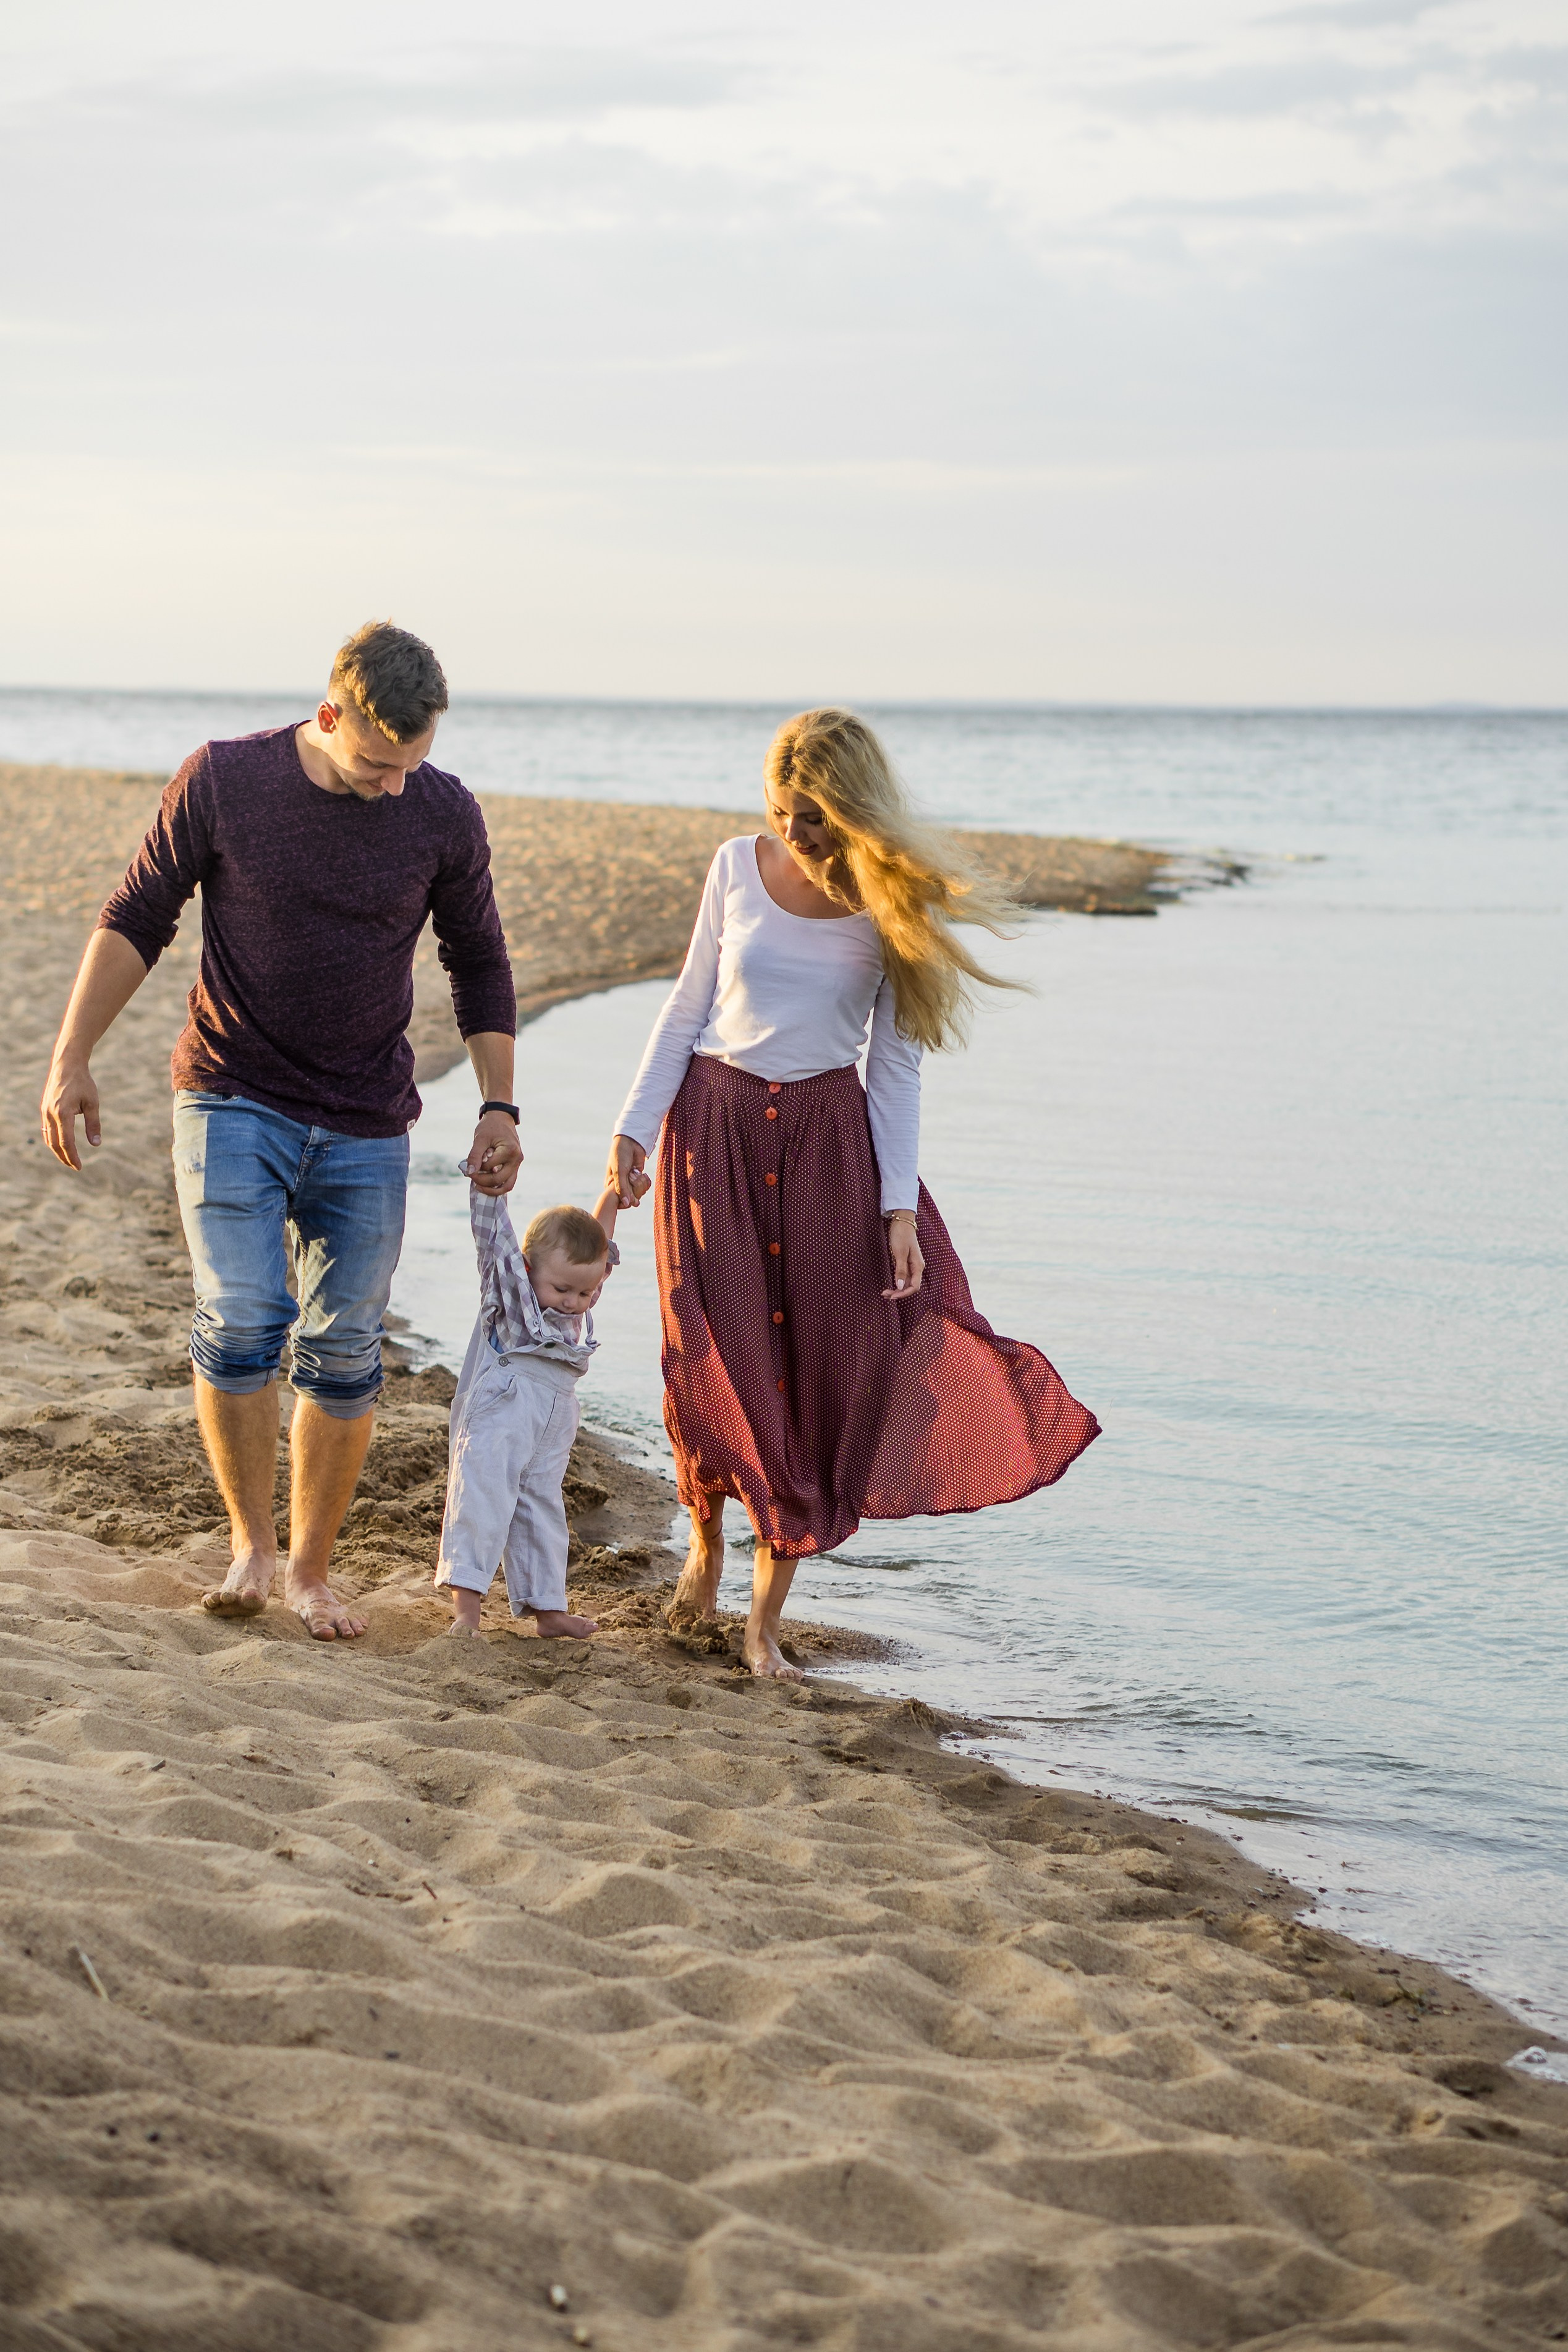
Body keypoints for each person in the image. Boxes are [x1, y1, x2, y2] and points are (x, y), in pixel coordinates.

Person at [39, 621, 522, 1641]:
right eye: (377, 763)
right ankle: (252, 1545)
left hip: (368, 1117)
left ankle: (310, 1571)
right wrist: (72, 1054)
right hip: (231, 1094)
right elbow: (138, 915)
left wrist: (498, 1103)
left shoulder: (441, 811)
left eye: (413, 763)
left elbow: (477, 958)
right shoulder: (225, 780)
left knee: (346, 1348)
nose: (394, 784)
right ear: (328, 713)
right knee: (244, 1316)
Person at [606, 706, 1100, 1681]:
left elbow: (896, 1068)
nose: (795, 832)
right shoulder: (734, 867)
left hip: (829, 1151)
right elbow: (687, 1004)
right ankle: (705, 1542)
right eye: (782, 812)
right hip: (713, 1132)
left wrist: (897, 1209)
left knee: (818, 1378)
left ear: (856, 811)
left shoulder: (893, 909)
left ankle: (763, 1623)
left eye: (815, 817)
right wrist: (631, 1129)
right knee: (710, 1350)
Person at [434, 1183, 623, 1639]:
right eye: (562, 1289)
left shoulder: (576, 1287)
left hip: (554, 1417)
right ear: (528, 1267)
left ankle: (547, 1609)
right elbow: (492, 1234)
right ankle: (467, 1611)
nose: (573, 1301)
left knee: (542, 1507)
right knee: (481, 1497)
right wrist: (488, 1182)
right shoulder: (511, 1292)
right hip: (503, 1409)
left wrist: (615, 1194)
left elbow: (599, 1243)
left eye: (585, 1292)